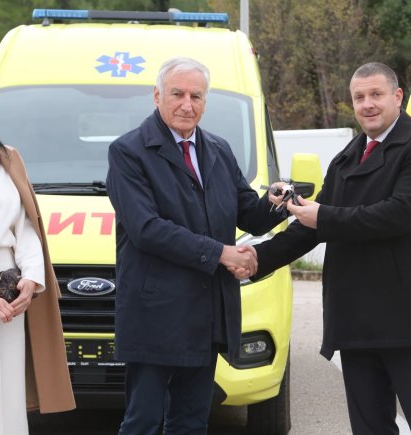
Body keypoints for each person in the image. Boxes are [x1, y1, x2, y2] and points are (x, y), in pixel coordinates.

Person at [243, 62, 411, 434]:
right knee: (370, 428)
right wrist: (255, 258)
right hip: (356, 322)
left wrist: (323, 215)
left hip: (408, 322)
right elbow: (311, 228)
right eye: (359, 97)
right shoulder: (348, 156)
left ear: (397, 96)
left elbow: (398, 215)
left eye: (376, 94)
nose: (367, 104)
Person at [105, 57, 286, 434]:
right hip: (156, 315)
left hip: (207, 313)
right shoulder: (128, 152)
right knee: (143, 422)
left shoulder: (219, 149)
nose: (187, 104)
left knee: (191, 422)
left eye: (196, 96)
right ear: (157, 96)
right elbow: (146, 229)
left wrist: (274, 201)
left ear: (205, 102)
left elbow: (248, 214)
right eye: (177, 94)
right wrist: (221, 253)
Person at [0, 67, 75, 434]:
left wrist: (31, 279)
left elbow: (26, 225)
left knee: (9, 386)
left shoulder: (8, 158)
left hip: (8, 287)